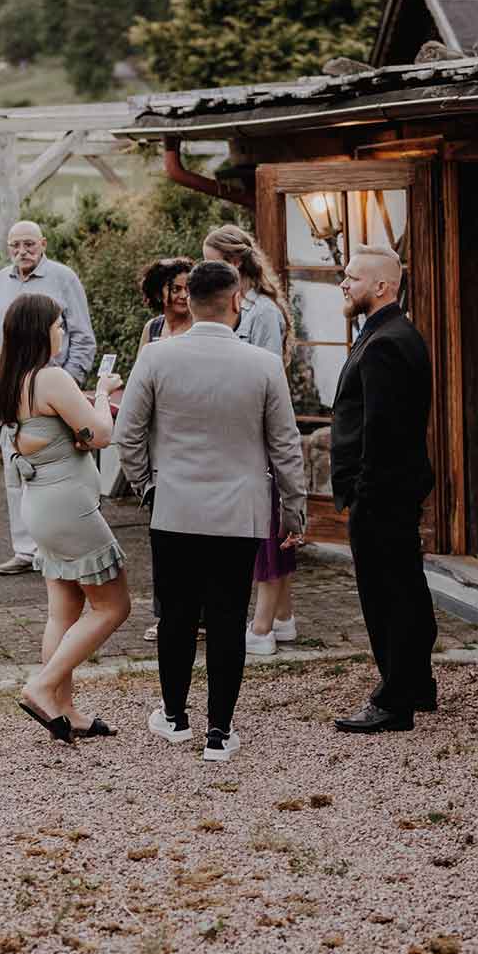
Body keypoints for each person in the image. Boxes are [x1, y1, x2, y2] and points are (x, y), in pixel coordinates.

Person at [115, 260, 306, 763]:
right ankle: (220, 732)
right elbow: (286, 447)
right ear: (236, 301)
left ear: (190, 302)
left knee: (176, 614)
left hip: (174, 507)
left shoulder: (155, 358)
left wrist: (148, 486)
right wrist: (294, 510)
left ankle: (175, 717)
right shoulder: (264, 364)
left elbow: (127, 435)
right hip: (239, 512)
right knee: (226, 618)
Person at [0, 294, 129, 742]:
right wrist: (102, 394)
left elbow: (64, 436)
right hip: (69, 509)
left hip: (39, 505)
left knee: (65, 610)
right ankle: (42, 685)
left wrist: (81, 430)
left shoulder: (13, 380)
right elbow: (102, 434)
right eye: (57, 325)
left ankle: (65, 710)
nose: (62, 332)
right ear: (40, 331)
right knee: (114, 605)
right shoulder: (51, 378)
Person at [329, 245, 438, 734]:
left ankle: (394, 700)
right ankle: (417, 683)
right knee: (406, 586)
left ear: (381, 286)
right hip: (390, 491)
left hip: (382, 494)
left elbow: (384, 432)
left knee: (387, 594)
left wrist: (363, 495)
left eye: (351, 278)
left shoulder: (388, 343)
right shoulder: (387, 333)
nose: (343, 285)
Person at [0, 220, 95, 578]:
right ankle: (24, 550)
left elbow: (82, 337)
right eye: (15, 245)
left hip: (51, 390)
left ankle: (60, 546)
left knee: (57, 467)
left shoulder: (63, 278)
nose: (21, 251)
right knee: (15, 470)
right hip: (10, 391)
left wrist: (68, 386)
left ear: (43, 243)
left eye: (29, 244)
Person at [201, 223, 299, 656]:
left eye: (212, 260)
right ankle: (284, 617)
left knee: (266, 530)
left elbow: (263, 377)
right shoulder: (235, 307)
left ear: (235, 263)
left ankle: (261, 628)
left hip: (257, 433)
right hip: (238, 431)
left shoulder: (261, 313)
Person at [135, 255, 195, 643]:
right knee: (163, 535)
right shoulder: (153, 329)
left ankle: (198, 613)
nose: (182, 295)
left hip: (187, 438)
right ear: (160, 292)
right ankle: (167, 614)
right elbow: (140, 376)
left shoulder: (200, 327)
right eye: (175, 288)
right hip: (157, 446)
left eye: (189, 288)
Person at [136, 256, 196, 354]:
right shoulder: (152, 327)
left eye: (188, 288)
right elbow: (140, 367)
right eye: (175, 289)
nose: (184, 295)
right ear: (157, 294)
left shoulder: (198, 325)